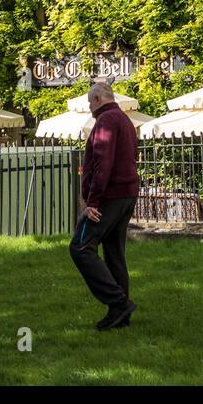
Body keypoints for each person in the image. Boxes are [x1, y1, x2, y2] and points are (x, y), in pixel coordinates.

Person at [69, 81, 140, 330]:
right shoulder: (125, 120)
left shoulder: (106, 121)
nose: (90, 107)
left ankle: (119, 303)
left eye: (90, 102)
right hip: (127, 193)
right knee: (114, 254)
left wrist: (92, 201)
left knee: (80, 246)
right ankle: (120, 316)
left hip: (109, 197)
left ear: (98, 99)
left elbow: (103, 162)